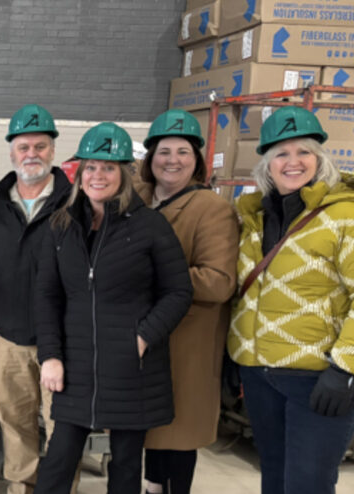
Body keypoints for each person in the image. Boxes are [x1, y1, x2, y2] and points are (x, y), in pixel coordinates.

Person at [33, 122, 193, 494]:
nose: (98, 175)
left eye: (108, 168)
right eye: (90, 167)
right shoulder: (61, 226)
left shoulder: (150, 226)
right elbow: (46, 295)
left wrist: (142, 337)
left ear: (125, 173)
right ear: (79, 174)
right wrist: (50, 355)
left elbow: (178, 292)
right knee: (58, 459)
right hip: (75, 362)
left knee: (124, 466)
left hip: (129, 366)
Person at [228, 106, 354, 494]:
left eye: (304, 152)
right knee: (275, 477)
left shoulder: (344, 216)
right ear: (267, 164)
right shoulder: (255, 217)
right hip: (259, 373)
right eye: (282, 154)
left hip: (317, 378)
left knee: (308, 484)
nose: (293, 162)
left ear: (321, 159)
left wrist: (345, 368)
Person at [134, 109, 239, 494]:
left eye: (183, 151)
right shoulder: (137, 197)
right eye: (163, 151)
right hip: (144, 336)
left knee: (177, 434)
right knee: (149, 436)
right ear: (150, 158)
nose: (172, 160)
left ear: (197, 160)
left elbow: (218, 282)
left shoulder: (212, 209)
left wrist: (145, 275)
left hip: (186, 343)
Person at [0, 104, 74, 494]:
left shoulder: (78, 205)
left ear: (53, 151)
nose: (31, 154)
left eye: (40, 145)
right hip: (5, 334)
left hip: (64, 340)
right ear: (11, 152)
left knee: (63, 427)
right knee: (15, 422)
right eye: (23, 147)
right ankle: (20, 487)